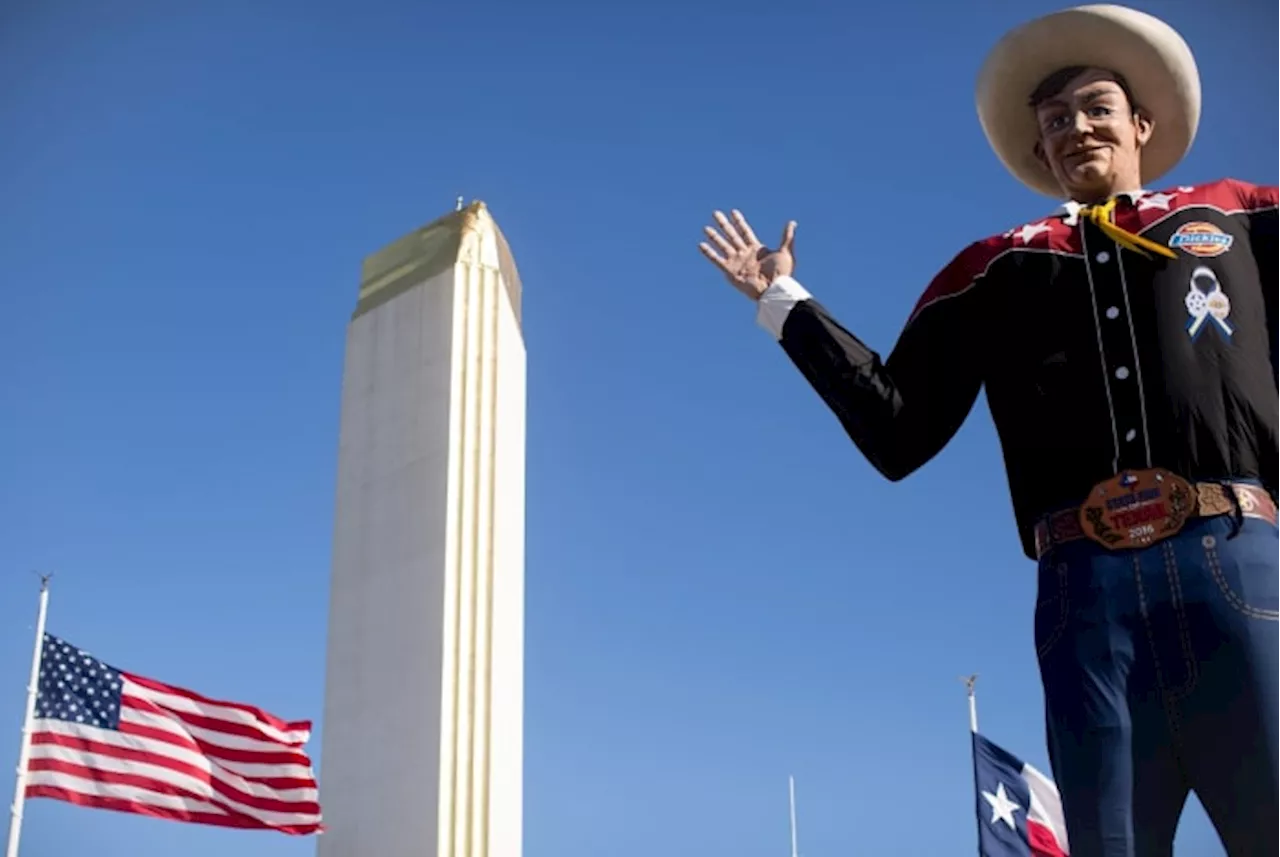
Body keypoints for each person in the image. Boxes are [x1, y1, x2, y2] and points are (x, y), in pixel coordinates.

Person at [697, 4, 1280, 856]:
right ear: (1039, 152)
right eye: (1054, 121)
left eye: (1096, 108)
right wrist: (784, 303)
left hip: (1236, 561)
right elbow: (899, 426)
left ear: (1141, 124)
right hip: (1087, 596)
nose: (1077, 128)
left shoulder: (1238, 213)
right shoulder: (992, 267)